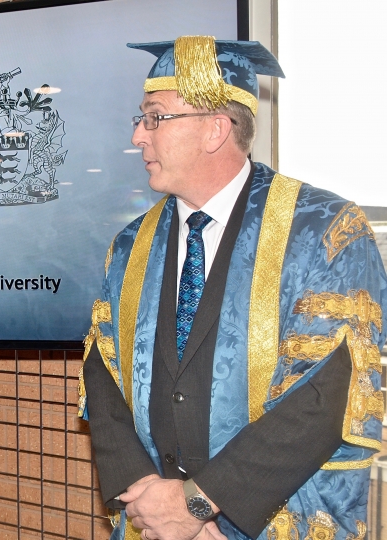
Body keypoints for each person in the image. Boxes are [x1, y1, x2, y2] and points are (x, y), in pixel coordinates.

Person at [78, 36, 387, 540]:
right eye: (140, 118)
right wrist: (153, 503)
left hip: (264, 519)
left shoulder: (324, 232)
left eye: (155, 117)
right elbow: (103, 372)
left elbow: (326, 395)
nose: (138, 135)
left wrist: (198, 507)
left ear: (215, 130)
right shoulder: (131, 245)